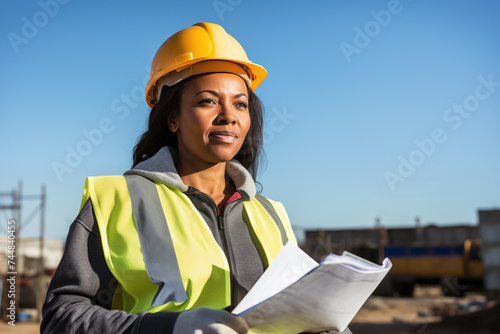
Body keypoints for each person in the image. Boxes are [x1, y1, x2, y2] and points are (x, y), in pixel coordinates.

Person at [41, 22, 351, 334]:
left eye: (240, 104)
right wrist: (168, 327)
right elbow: (61, 318)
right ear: (172, 117)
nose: (228, 115)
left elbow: (298, 314)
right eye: (208, 100)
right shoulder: (116, 202)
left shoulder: (272, 215)